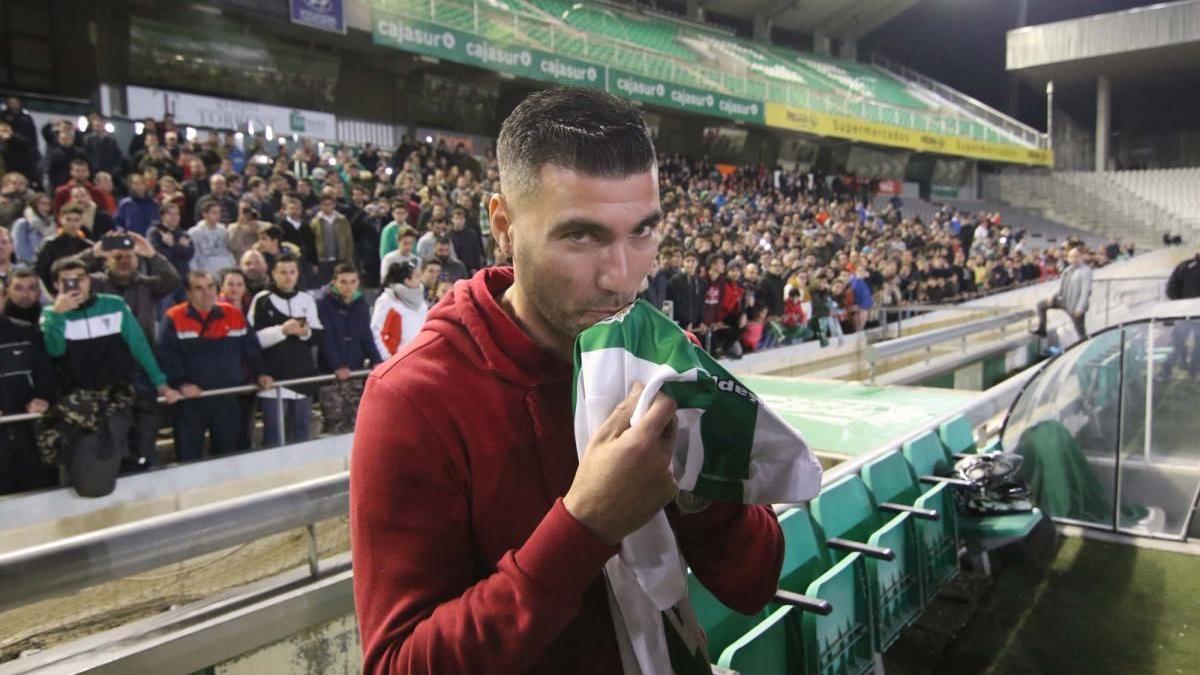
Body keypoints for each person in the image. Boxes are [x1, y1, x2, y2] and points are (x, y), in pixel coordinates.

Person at [351, 88, 781, 675]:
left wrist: (699, 487)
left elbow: (754, 583)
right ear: (504, 225)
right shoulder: (414, 399)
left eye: (642, 231)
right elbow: (398, 665)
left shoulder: (665, 356)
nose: (622, 276)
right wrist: (586, 525)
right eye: (582, 236)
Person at [39, 258, 182, 497]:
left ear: (89, 281)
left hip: (118, 398)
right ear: (56, 285)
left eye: (81, 279)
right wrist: (58, 315)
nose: (76, 285)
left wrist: (160, 383)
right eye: (68, 281)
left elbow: (139, 345)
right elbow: (55, 350)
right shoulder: (49, 314)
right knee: (83, 467)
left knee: (125, 455)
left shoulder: (114, 305)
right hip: (78, 406)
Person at [159, 270, 272, 461]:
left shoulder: (233, 314)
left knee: (229, 455)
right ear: (188, 293)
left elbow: (251, 349)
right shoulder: (174, 317)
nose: (207, 292)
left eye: (210, 286)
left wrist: (260, 373)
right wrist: (182, 383)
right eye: (199, 288)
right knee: (188, 457)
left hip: (226, 398)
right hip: (190, 402)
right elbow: (166, 356)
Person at [249, 253, 323, 446]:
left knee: (302, 435)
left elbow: (318, 335)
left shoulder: (307, 299)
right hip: (274, 383)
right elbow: (252, 340)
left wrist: (305, 333)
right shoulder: (261, 299)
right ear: (273, 273)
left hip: (303, 378)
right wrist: (282, 330)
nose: (288, 276)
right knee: (274, 438)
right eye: (283, 272)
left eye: (292, 272)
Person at [0, 273, 57, 495]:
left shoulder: (26, 330)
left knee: (40, 488)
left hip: (29, 428)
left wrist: (43, 397)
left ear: (4, 298)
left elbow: (46, 372)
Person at [316, 264, 381, 434]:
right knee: (335, 421)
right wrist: (337, 364)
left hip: (355, 369)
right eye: (343, 282)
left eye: (352, 282)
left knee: (357, 422)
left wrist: (376, 360)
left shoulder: (361, 304)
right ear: (334, 282)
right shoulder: (323, 304)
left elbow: (365, 335)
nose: (348, 286)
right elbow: (326, 338)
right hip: (331, 373)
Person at [370, 259, 429, 360]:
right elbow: (376, 331)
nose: (420, 280)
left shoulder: (422, 303)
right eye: (417, 277)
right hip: (397, 359)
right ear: (407, 280)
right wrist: (387, 358)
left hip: (420, 357)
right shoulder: (387, 300)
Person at [1033, 247, 1091, 340]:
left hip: (1075, 305)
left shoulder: (1085, 271)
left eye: (1076, 257)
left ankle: (1083, 344)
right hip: (1063, 300)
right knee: (1040, 306)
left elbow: (1086, 291)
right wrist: (1052, 296)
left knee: (1081, 332)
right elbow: (1061, 286)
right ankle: (1042, 329)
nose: (1073, 259)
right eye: (1071, 257)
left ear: (1081, 257)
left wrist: (1080, 308)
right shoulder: (1067, 270)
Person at [35, 203, 92, 289]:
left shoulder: (87, 245)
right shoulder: (50, 243)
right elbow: (41, 271)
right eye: (68, 219)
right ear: (61, 219)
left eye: (77, 220)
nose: (72, 223)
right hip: (57, 287)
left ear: (82, 221)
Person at [1163, 252, 1200, 377]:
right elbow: (1171, 288)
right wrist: (1182, 305)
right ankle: (1166, 370)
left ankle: (1195, 371)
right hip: (1184, 315)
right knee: (1176, 342)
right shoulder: (1185, 266)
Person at [309, 194, 355, 284]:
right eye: (324, 204)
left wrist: (348, 257)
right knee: (325, 285)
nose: (327, 207)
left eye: (329, 204)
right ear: (321, 206)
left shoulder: (342, 220)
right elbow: (311, 242)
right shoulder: (315, 222)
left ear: (334, 205)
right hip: (323, 259)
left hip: (340, 258)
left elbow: (349, 240)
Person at [188, 200, 236, 274]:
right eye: (214, 213)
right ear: (205, 214)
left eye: (219, 212)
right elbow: (193, 255)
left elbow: (228, 252)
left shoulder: (223, 231)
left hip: (224, 267)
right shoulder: (194, 233)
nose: (218, 215)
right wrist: (196, 272)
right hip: (206, 267)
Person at [12, 193, 55, 264]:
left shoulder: (52, 225)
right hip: (28, 265)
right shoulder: (22, 224)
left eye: (49, 204)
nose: (46, 207)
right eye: (42, 203)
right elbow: (19, 249)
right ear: (34, 204)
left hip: (46, 265)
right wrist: (36, 262)